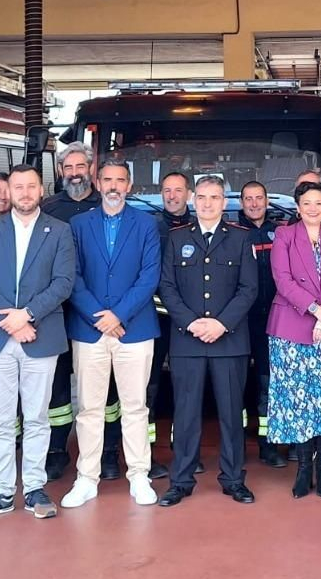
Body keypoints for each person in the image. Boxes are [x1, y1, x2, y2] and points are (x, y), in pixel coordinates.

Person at [0, 165, 75, 521]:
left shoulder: (58, 231)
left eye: (31, 187)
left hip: (39, 335)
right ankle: (0, 490)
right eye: (18, 187)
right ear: (7, 192)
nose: (25, 193)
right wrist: (10, 321)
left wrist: (27, 315)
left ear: (40, 190)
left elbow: (63, 282)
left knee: (37, 417)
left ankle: (34, 487)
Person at [61, 160, 161, 509]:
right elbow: (71, 276)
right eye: (107, 180)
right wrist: (99, 317)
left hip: (134, 329)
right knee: (89, 408)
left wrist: (118, 315)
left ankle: (139, 475)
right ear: (97, 184)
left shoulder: (147, 224)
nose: (114, 186)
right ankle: (87, 478)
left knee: (135, 406)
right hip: (90, 332)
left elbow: (149, 277)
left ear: (129, 186)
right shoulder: (78, 224)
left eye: (120, 180)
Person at [157, 175, 259, 506]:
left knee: (232, 414)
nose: (206, 203)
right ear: (192, 199)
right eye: (201, 197)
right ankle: (181, 480)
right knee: (185, 415)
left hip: (229, 341)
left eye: (214, 197)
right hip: (187, 341)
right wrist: (191, 324)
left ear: (224, 202)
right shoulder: (176, 238)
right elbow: (167, 287)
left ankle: (233, 479)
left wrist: (221, 324)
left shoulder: (241, 239)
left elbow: (249, 289)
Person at [266, 181, 321, 498]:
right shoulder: (285, 236)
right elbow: (283, 280)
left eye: (319, 203)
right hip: (293, 328)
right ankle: (304, 469)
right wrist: (317, 311)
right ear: (298, 206)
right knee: (299, 401)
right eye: (307, 203)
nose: (313, 208)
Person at [39, 142, 102, 480]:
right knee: (58, 385)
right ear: (61, 171)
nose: (75, 173)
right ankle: (57, 450)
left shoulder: (105, 204)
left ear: (91, 168)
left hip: (96, 311)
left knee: (102, 386)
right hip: (58, 311)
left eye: (81, 166)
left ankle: (107, 453)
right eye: (69, 167)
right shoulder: (48, 208)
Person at [138, 170, 196, 479]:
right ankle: (145, 456)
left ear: (189, 194)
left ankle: (186, 451)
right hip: (157, 319)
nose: (172, 196)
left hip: (190, 322)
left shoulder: (200, 227)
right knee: (150, 388)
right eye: (166, 191)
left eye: (178, 190)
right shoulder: (150, 227)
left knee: (187, 388)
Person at [239, 180, 285, 468]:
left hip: (274, 320)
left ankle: (269, 445)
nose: (254, 204)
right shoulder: (233, 233)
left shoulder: (280, 232)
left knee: (269, 384)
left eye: (259, 198)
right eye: (248, 199)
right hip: (241, 321)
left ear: (267, 201)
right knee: (238, 384)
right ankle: (238, 442)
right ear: (241, 203)